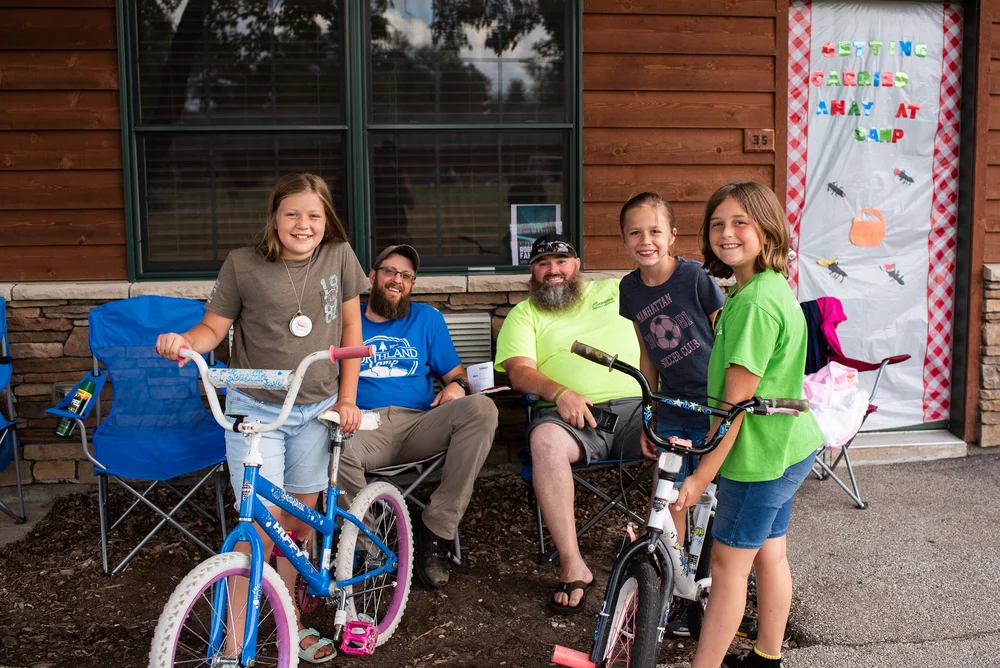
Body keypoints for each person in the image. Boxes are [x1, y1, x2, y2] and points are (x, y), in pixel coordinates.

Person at [155, 172, 369, 664]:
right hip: (255, 409)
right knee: (259, 527)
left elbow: (353, 326)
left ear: (326, 218)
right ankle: (234, 645)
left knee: (295, 526)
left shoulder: (339, 255)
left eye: (314, 214)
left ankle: (290, 624)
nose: (303, 223)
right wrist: (187, 343)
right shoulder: (242, 264)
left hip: (316, 406)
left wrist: (347, 398)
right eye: (292, 213)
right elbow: (213, 326)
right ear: (274, 216)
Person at [671, 181, 824, 668]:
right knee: (770, 554)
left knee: (728, 569)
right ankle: (766, 657)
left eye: (740, 222)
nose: (726, 232)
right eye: (717, 223)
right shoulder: (763, 287)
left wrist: (699, 476)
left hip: (759, 459)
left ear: (767, 229)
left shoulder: (755, 303)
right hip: (790, 446)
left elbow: (732, 410)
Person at [495, 233, 643, 615]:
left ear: (576, 266)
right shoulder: (524, 314)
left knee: (677, 436)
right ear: (532, 272)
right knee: (544, 440)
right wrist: (560, 393)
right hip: (570, 418)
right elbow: (519, 372)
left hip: (637, 409)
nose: (553, 271)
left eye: (561, 262)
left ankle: (653, 545)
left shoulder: (617, 290)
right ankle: (572, 562)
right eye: (543, 264)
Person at [338, 244, 498, 590]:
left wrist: (456, 386)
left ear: (412, 284)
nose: (397, 280)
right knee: (334, 447)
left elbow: (457, 373)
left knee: (483, 410)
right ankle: (370, 545)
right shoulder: (347, 320)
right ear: (373, 276)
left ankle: (437, 531)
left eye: (406, 276)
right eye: (390, 272)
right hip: (365, 426)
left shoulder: (427, 319)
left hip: (419, 423)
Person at [618, 191, 725, 637]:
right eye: (636, 232)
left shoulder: (694, 276)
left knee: (716, 500)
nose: (646, 240)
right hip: (674, 405)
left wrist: (727, 402)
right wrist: (651, 408)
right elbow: (647, 352)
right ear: (624, 239)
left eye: (655, 231)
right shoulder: (629, 288)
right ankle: (679, 592)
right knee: (674, 497)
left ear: (672, 235)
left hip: (714, 402)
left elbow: (725, 333)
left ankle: (717, 590)